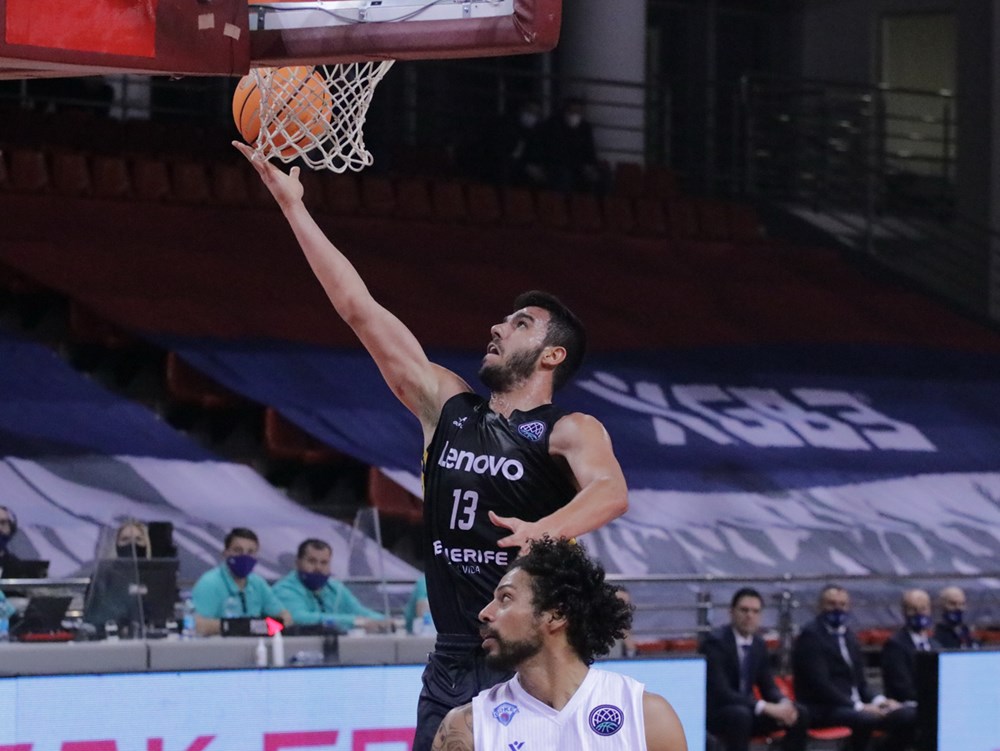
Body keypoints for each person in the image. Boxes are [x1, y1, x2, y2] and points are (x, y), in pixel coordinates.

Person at [236, 141, 629, 750]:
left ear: (552, 355)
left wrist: (545, 530)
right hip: (451, 659)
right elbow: (360, 310)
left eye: (520, 323)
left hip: (532, 660)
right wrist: (293, 207)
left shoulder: (569, 429)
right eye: (504, 319)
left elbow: (610, 491)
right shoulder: (446, 404)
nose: (498, 326)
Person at [431, 537, 687, 751]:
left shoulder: (646, 717)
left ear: (556, 614)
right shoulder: (467, 728)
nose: (485, 613)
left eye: (505, 598)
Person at [792, 584, 917, 751]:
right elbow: (821, 685)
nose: (838, 609)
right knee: (866, 719)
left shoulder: (850, 637)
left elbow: (861, 683)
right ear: (820, 606)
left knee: (908, 715)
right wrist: (858, 706)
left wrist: (880, 701)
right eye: (831, 604)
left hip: (855, 705)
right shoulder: (810, 636)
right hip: (823, 707)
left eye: (842, 604)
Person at [700, 587, 808, 751]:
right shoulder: (715, 643)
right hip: (719, 712)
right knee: (740, 715)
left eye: (755, 611)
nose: (749, 616)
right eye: (744, 610)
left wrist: (783, 703)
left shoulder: (758, 644)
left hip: (749, 709)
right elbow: (722, 692)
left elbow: (768, 686)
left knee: (799, 713)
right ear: (731, 612)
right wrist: (765, 707)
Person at [191, 527, 292, 636]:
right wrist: (238, 627)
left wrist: (257, 627)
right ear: (225, 553)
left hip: (255, 644)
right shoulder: (209, 583)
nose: (244, 556)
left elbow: (286, 619)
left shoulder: (258, 583)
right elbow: (196, 625)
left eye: (250, 552)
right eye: (238, 550)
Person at [272, 538, 386, 633]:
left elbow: (359, 611)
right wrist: (355, 621)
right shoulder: (284, 590)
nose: (318, 568)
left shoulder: (334, 587)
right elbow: (299, 618)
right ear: (298, 563)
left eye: (324, 563)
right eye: (312, 561)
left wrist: (384, 621)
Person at [881, 588, 940, 704]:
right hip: (906, 703)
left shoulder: (936, 645)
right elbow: (901, 687)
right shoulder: (895, 645)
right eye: (913, 609)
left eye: (923, 609)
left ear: (930, 611)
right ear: (904, 612)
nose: (919, 613)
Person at [543, 97, 606, 194]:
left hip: (580, 166)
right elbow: (554, 151)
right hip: (558, 166)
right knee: (564, 175)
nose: (575, 115)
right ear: (566, 111)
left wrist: (591, 166)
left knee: (602, 175)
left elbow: (590, 150)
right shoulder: (554, 125)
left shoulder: (585, 127)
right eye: (572, 111)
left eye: (578, 112)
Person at [495, 98, 548, 187]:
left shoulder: (535, 132)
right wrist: (525, 167)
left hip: (521, 167)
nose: (531, 116)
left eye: (536, 113)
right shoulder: (506, 127)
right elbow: (501, 153)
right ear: (521, 110)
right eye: (529, 111)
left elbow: (535, 153)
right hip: (504, 165)